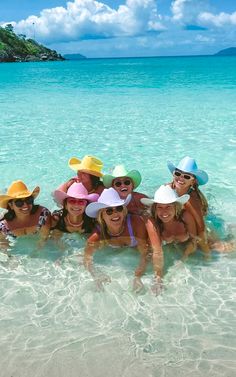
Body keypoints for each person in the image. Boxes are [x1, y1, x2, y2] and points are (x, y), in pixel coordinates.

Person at [84, 188, 163, 292]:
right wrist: (96, 276)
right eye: (109, 211)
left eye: (119, 208)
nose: (115, 214)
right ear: (101, 216)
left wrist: (138, 276)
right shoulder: (97, 235)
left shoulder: (136, 224)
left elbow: (146, 252)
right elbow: (86, 258)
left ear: (124, 210)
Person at [141, 185, 198, 261]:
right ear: (155, 209)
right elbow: (155, 251)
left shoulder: (185, 217)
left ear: (176, 207)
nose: (164, 211)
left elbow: (194, 240)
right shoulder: (153, 223)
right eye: (160, 207)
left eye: (168, 207)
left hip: (188, 249)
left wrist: (185, 257)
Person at [167, 156, 209, 253]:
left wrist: (206, 252)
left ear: (193, 181)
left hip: (203, 221)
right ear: (173, 175)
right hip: (183, 220)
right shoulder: (168, 189)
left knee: (215, 246)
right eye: (178, 173)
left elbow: (201, 227)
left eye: (186, 176)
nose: (181, 178)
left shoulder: (191, 201)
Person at [0, 180, 51, 248]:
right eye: (19, 203)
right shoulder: (3, 227)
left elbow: (44, 239)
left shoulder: (43, 215)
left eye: (28, 200)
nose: (25, 205)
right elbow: (4, 248)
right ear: (11, 205)